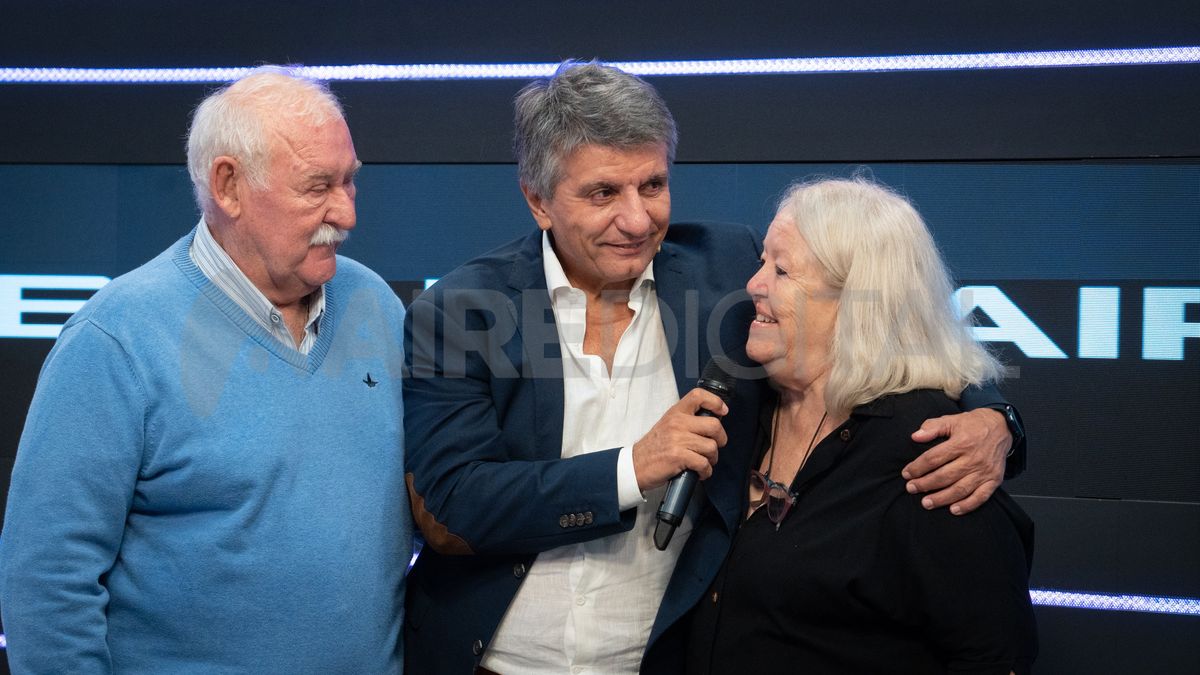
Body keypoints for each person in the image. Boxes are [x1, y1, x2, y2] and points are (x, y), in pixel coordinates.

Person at [402, 61, 1025, 674]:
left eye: (652, 185)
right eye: (602, 193)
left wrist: (993, 418)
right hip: (492, 660)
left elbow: (883, 327)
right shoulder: (461, 310)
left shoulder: (729, 269)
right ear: (538, 200)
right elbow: (458, 500)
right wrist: (632, 467)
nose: (638, 219)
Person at [0, 67, 410, 673]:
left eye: (350, 182)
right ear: (228, 185)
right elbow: (48, 579)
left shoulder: (375, 303)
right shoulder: (116, 337)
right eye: (317, 187)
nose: (345, 214)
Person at [687, 178, 1037, 674]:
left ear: (856, 303)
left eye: (782, 270)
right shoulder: (743, 411)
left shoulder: (934, 458)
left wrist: (1002, 420)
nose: (753, 285)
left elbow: (995, 654)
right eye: (762, 261)